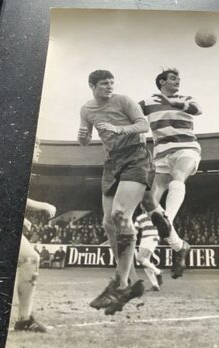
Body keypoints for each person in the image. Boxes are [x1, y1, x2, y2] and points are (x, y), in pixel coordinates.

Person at [78, 70, 170, 315]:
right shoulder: (86, 109)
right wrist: (83, 137)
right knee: (108, 223)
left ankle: (119, 285)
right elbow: (85, 139)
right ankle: (127, 281)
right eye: (104, 84)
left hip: (135, 156)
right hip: (112, 162)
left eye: (111, 83)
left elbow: (144, 125)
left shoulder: (124, 101)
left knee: (121, 215)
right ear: (92, 86)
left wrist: (119, 130)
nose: (109, 87)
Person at [139, 69, 202, 279]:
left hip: (186, 148)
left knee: (178, 174)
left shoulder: (186, 98)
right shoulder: (148, 102)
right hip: (161, 155)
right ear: (162, 81)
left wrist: (178, 104)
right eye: (173, 78)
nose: (178, 82)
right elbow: (130, 114)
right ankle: (179, 246)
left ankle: (166, 220)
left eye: (178, 79)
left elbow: (197, 109)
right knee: (148, 201)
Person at [14, 141, 57, 332]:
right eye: (35, 145)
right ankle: (24, 320)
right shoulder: (14, 164)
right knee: (30, 259)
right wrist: (44, 205)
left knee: (30, 258)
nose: (38, 149)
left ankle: (24, 320)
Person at [134, 208, 163, 291]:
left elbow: (163, 226)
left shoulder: (157, 215)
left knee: (139, 258)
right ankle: (155, 285)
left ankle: (158, 272)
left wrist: (158, 236)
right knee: (145, 264)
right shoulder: (140, 218)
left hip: (152, 238)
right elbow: (135, 231)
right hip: (143, 240)